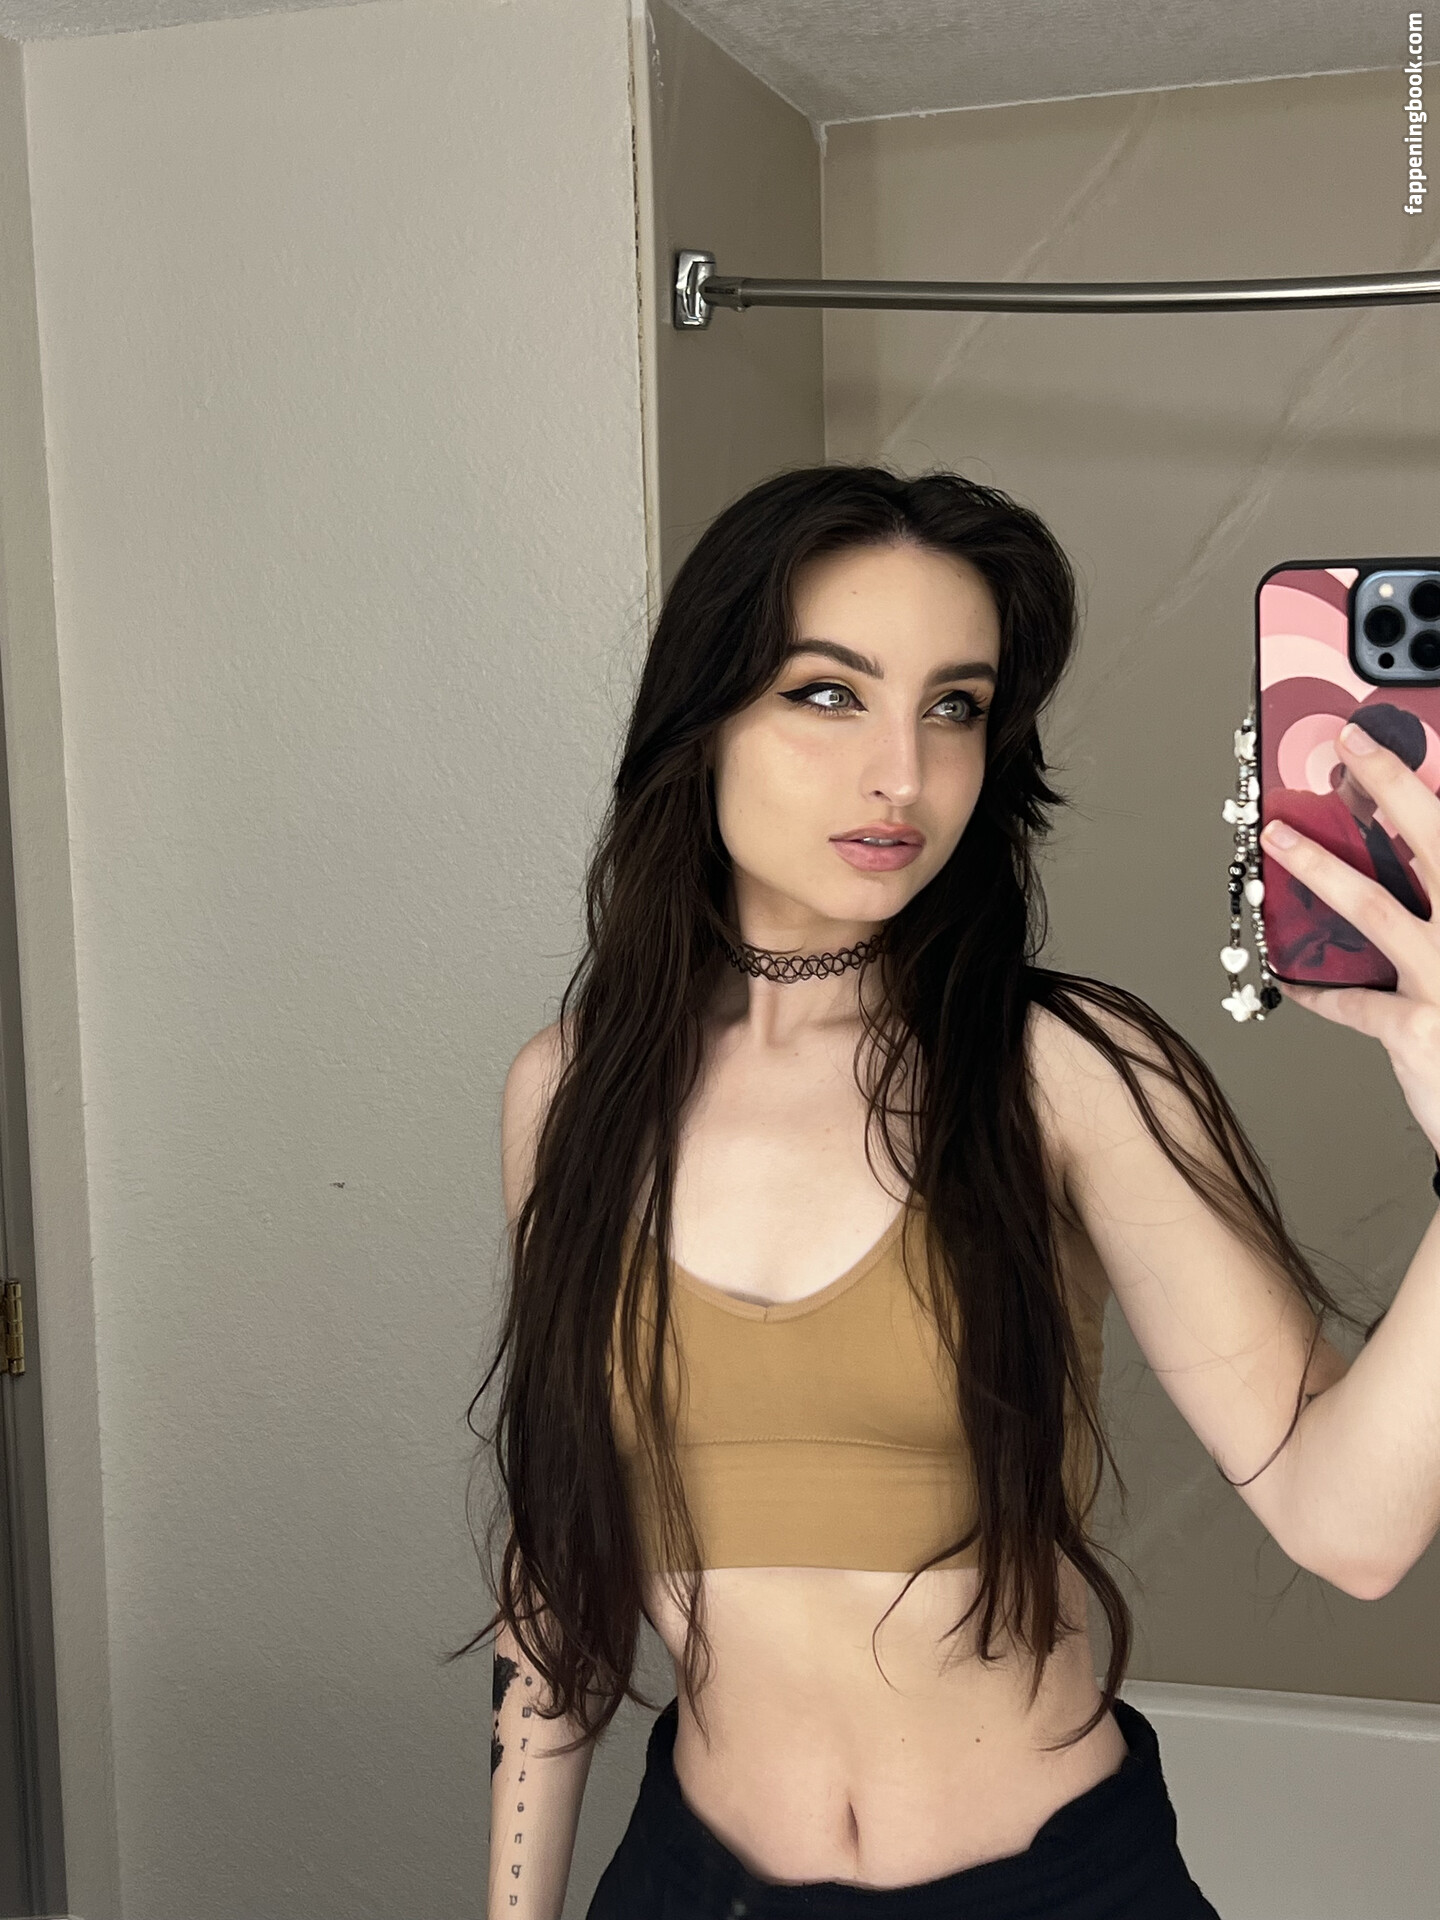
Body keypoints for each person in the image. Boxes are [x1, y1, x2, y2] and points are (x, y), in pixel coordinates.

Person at [455, 465, 1383, 1920]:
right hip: (693, 1885)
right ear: (702, 719)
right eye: (829, 693)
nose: (904, 772)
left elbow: (1351, 1524)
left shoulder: (1061, 1068)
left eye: (954, 706)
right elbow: (560, 1573)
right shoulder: (569, 1091)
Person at [1262, 702, 1433, 985]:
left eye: (1399, 759)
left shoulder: (1395, 855)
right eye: (1372, 747)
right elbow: (1296, 953)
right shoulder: (1290, 810)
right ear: (1347, 748)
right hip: (1342, 990)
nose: (1377, 765)